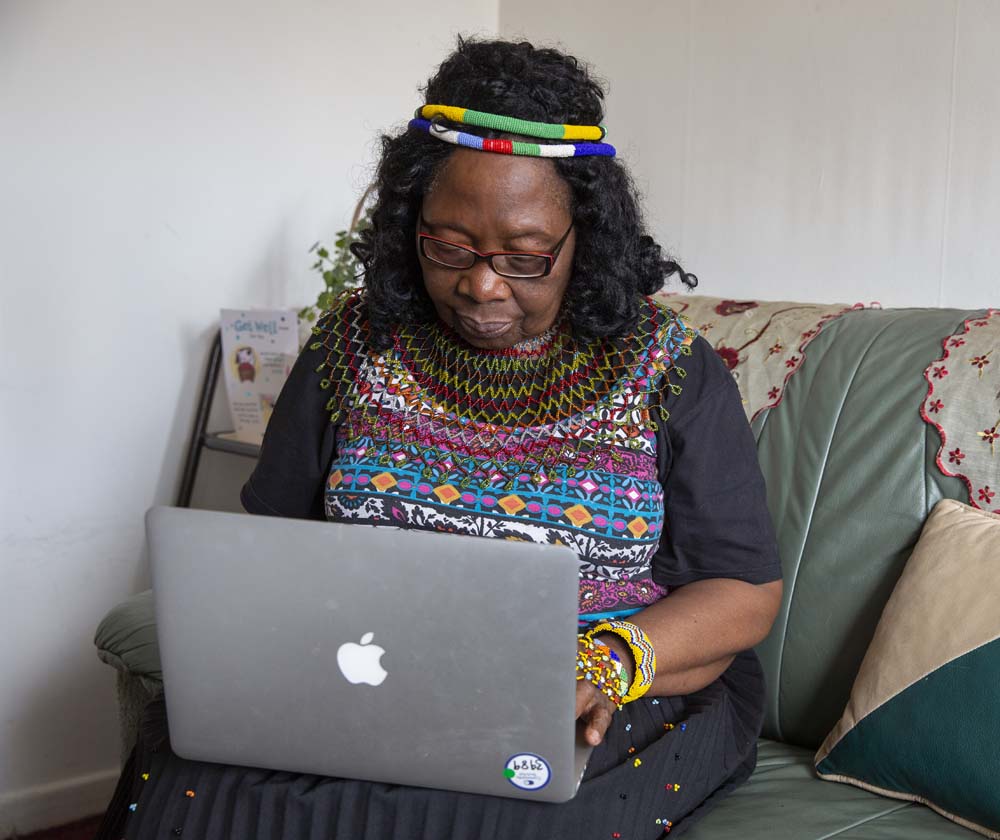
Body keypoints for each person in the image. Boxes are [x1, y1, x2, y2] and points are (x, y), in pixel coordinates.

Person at [99, 36, 782, 840]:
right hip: (376, 670)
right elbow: (276, 548)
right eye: (448, 246)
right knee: (186, 778)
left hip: (605, 686)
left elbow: (744, 593)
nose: (481, 282)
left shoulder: (668, 369)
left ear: (582, 239)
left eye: (525, 256)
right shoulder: (353, 346)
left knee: (482, 812)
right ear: (407, 221)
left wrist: (602, 663)